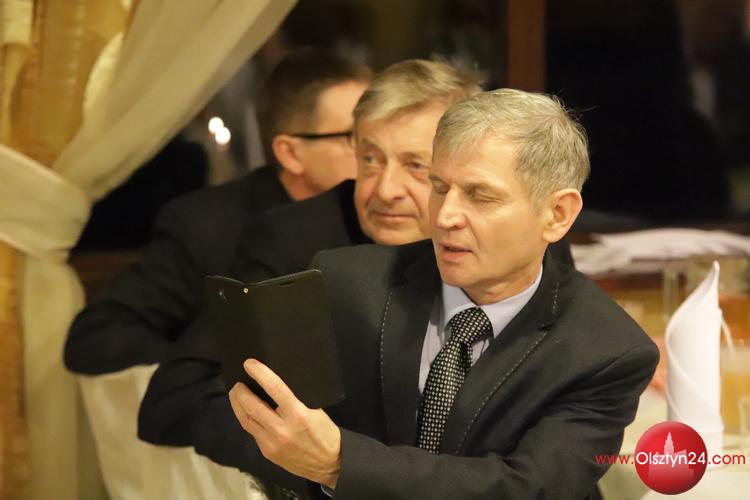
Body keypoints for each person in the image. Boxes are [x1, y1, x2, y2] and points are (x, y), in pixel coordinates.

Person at [226, 89, 659, 499]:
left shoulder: (605, 350)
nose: (446, 216)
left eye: (479, 196)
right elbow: (284, 440)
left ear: (557, 214)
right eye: (439, 188)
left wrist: (341, 463)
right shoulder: (346, 283)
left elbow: (526, 489)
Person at [64, 48, 370, 374]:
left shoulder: (387, 218)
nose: (373, 153)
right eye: (356, 138)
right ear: (291, 153)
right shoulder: (208, 225)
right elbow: (97, 337)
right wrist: (209, 369)